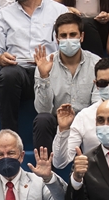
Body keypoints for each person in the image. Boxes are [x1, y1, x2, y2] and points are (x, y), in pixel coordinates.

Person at [0, 0, 74, 131]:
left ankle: (63, 135)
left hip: (51, 72)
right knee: (8, 75)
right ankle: (9, 136)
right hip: (19, 71)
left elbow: (70, 45)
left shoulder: (59, 11)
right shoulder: (4, 14)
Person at [32, 12, 98, 152]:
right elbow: (42, 110)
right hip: (57, 121)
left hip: (87, 121)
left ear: (82, 37)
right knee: (42, 120)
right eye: (63, 36)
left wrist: (80, 121)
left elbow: (98, 106)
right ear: (57, 39)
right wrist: (44, 76)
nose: (68, 39)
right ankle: (45, 170)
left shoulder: (96, 63)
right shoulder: (45, 64)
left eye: (73, 35)